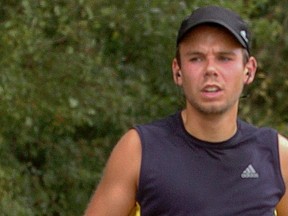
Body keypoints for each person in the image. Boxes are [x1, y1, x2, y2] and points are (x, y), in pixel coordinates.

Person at [84, 5, 288, 216]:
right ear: (177, 71)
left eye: (225, 58)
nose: (210, 69)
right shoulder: (139, 150)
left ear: (249, 70)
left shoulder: (276, 155)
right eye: (196, 58)